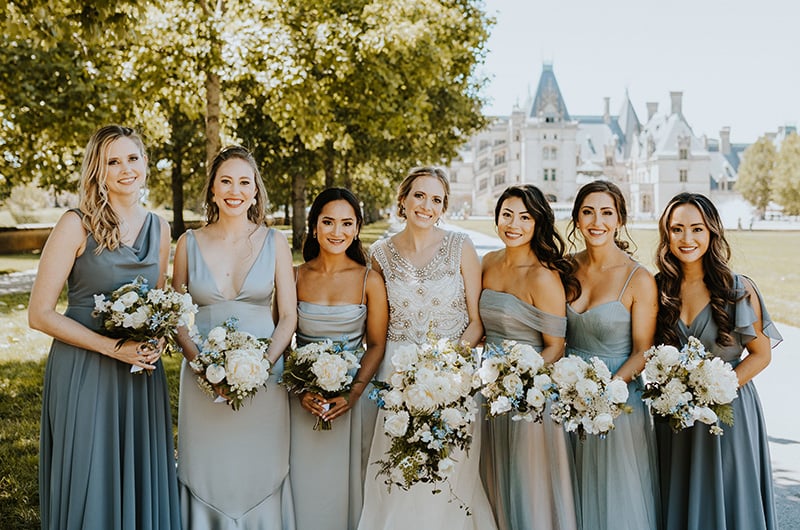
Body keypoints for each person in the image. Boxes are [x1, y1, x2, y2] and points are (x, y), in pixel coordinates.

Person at [30, 125, 181, 529]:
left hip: (139, 376)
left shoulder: (160, 228)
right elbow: (39, 313)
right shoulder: (75, 224)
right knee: (89, 475)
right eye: (113, 162)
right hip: (84, 372)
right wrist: (112, 348)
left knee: (137, 474)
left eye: (132, 158)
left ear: (145, 163)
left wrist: (158, 339)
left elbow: (159, 302)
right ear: (98, 171)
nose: (125, 169)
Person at [358, 167, 497, 530]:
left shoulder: (461, 247)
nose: (426, 205)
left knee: (450, 471)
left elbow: (477, 322)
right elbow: (378, 326)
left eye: (436, 200)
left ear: (443, 207)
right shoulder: (380, 254)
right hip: (396, 377)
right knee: (398, 470)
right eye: (419, 195)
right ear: (403, 199)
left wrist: (445, 365)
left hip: (454, 377)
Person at [172, 146, 297, 529]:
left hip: (265, 380)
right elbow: (178, 317)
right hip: (202, 382)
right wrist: (202, 366)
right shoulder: (187, 244)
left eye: (245, 182)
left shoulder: (275, 242)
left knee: (260, 465)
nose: (235, 190)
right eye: (225, 181)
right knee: (209, 467)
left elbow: (289, 317)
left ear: (255, 192)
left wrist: (261, 366)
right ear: (212, 190)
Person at [654, 192, 781, 530]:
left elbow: (761, 354)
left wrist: (713, 388)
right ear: (666, 233)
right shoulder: (657, 289)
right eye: (677, 229)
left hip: (728, 411)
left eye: (697, 229)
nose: (687, 239)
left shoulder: (738, 288)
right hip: (675, 417)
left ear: (711, 232)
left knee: (729, 501)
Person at [479, 185, 580, 530]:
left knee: (527, 484)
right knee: (490, 475)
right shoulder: (487, 263)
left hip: (529, 396)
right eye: (507, 215)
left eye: (525, 217)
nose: (514, 224)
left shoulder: (543, 276)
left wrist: (520, 384)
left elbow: (555, 346)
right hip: (488, 391)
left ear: (538, 223)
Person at [289, 187, 389, 530]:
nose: (337, 232)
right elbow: (281, 340)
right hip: (302, 401)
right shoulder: (295, 276)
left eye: (347, 223)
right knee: (305, 483)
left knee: (351, 487)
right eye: (328, 222)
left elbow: (376, 344)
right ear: (314, 226)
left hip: (352, 401)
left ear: (357, 228)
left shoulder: (369, 280)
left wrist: (354, 392)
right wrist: (300, 390)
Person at [564, 180, 660, 529]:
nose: (596, 221)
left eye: (607, 212)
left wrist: (606, 392)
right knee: (568, 490)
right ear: (576, 218)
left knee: (613, 502)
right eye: (588, 212)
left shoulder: (639, 279)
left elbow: (643, 350)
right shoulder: (564, 268)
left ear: (619, 220)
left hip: (618, 399)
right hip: (567, 394)